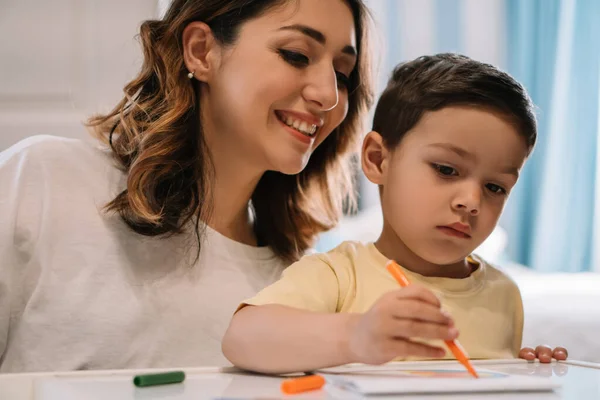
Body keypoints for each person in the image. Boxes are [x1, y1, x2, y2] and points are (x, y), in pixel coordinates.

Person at [0, 0, 373, 372]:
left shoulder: (292, 288)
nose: (329, 95)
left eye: (342, 74)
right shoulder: (41, 183)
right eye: (296, 54)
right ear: (201, 51)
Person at [222, 53, 568, 374]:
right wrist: (355, 336)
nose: (471, 201)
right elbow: (242, 338)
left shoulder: (503, 293)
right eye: (446, 169)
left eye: (496, 187)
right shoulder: (339, 276)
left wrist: (522, 370)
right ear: (377, 159)